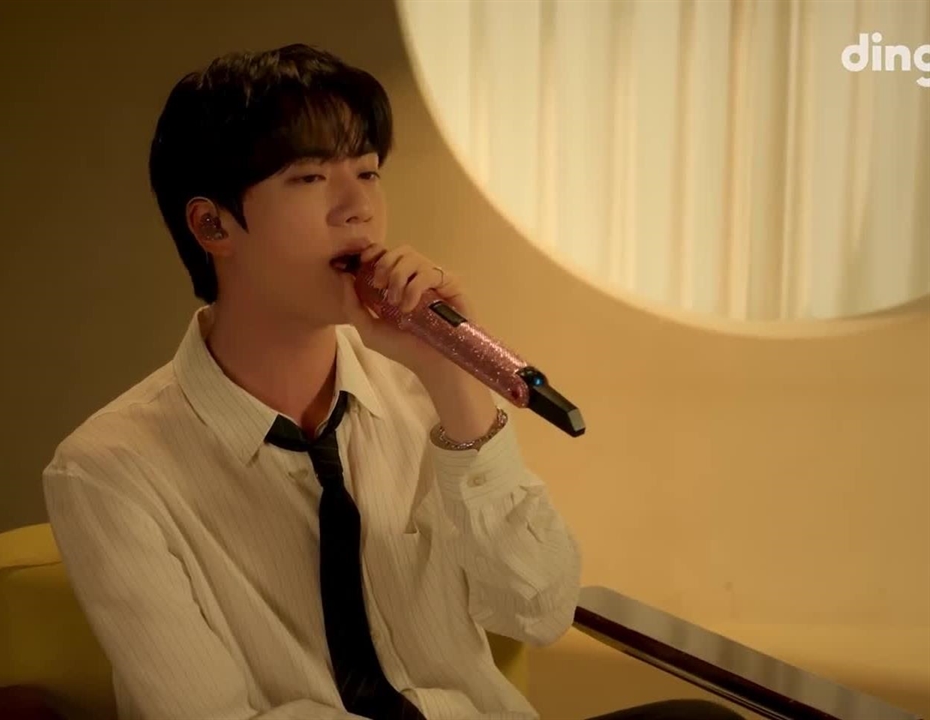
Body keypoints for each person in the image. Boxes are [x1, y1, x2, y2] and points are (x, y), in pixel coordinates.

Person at [43, 44, 742, 720]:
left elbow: (537, 611)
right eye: (310, 178)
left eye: (369, 173)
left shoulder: (414, 395)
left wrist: (450, 378)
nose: (357, 208)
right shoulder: (110, 469)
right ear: (212, 224)